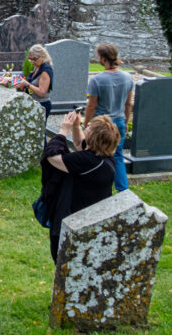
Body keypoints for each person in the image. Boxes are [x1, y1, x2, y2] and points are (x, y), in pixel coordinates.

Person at [42, 111, 118, 262]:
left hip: (71, 219)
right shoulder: (104, 159)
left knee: (64, 263)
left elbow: (52, 156)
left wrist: (63, 130)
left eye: (89, 126)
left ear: (94, 137)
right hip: (92, 220)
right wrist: (76, 127)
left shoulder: (87, 161)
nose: (86, 125)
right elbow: (80, 144)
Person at [84, 42, 134, 193]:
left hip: (100, 123)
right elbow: (128, 104)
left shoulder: (97, 80)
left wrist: (85, 123)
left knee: (94, 155)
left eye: (98, 56)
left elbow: (91, 106)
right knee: (118, 157)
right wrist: (126, 122)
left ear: (103, 58)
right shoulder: (127, 77)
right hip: (118, 121)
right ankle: (123, 191)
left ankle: (95, 189)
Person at [14, 43, 53, 119]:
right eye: (30, 59)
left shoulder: (45, 71)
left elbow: (42, 92)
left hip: (41, 104)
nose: (32, 61)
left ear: (42, 57)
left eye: (34, 59)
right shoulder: (37, 67)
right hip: (33, 102)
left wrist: (27, 84)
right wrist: (23, 86)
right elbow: (32, 86)